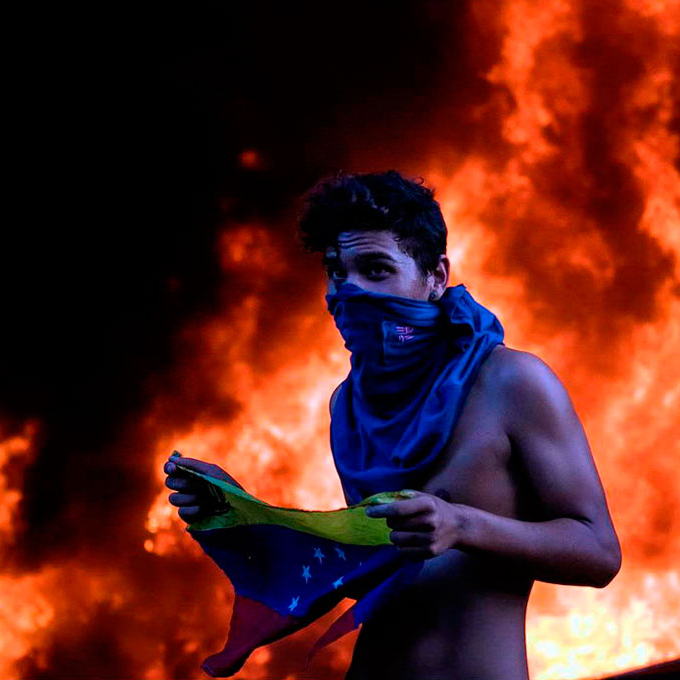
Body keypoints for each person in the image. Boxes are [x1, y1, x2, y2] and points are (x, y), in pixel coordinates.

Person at [165, 170, 621, 679]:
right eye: (337, 271)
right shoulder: (347, 405)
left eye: (377, 269)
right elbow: (377, 570)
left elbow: (599, 552)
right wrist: (246, 514)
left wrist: (461, 524)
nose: (352, 290)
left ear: (436, 277)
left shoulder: (511, 382)